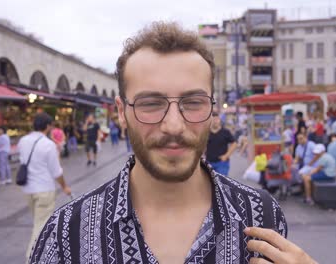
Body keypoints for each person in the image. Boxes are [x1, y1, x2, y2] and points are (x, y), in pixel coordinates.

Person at [30, 22, 316, 264]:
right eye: (151, 103)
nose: (174, 125)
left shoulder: (260, 213)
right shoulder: (66, 233)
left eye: (193, 102)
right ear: (121, 111)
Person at [17, 113, 72, 260]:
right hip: (44, 189)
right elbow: (56, 171)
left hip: (28, 189)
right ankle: (32, 257)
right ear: (48, 126)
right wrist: (64, 186)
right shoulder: (48, 145)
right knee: (40, 226)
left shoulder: (23, 141)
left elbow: (22, 160)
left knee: (37, 220)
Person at [205, 112, 237, 176]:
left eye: (217, 119)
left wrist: (226, 155)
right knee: (210, 183)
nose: (215, 121)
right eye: (213, 119)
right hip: (209, 162)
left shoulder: (225, 132)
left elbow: (234, 144)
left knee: (221, 183)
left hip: (222, 163)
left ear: (219, 120)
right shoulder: (206, 133)